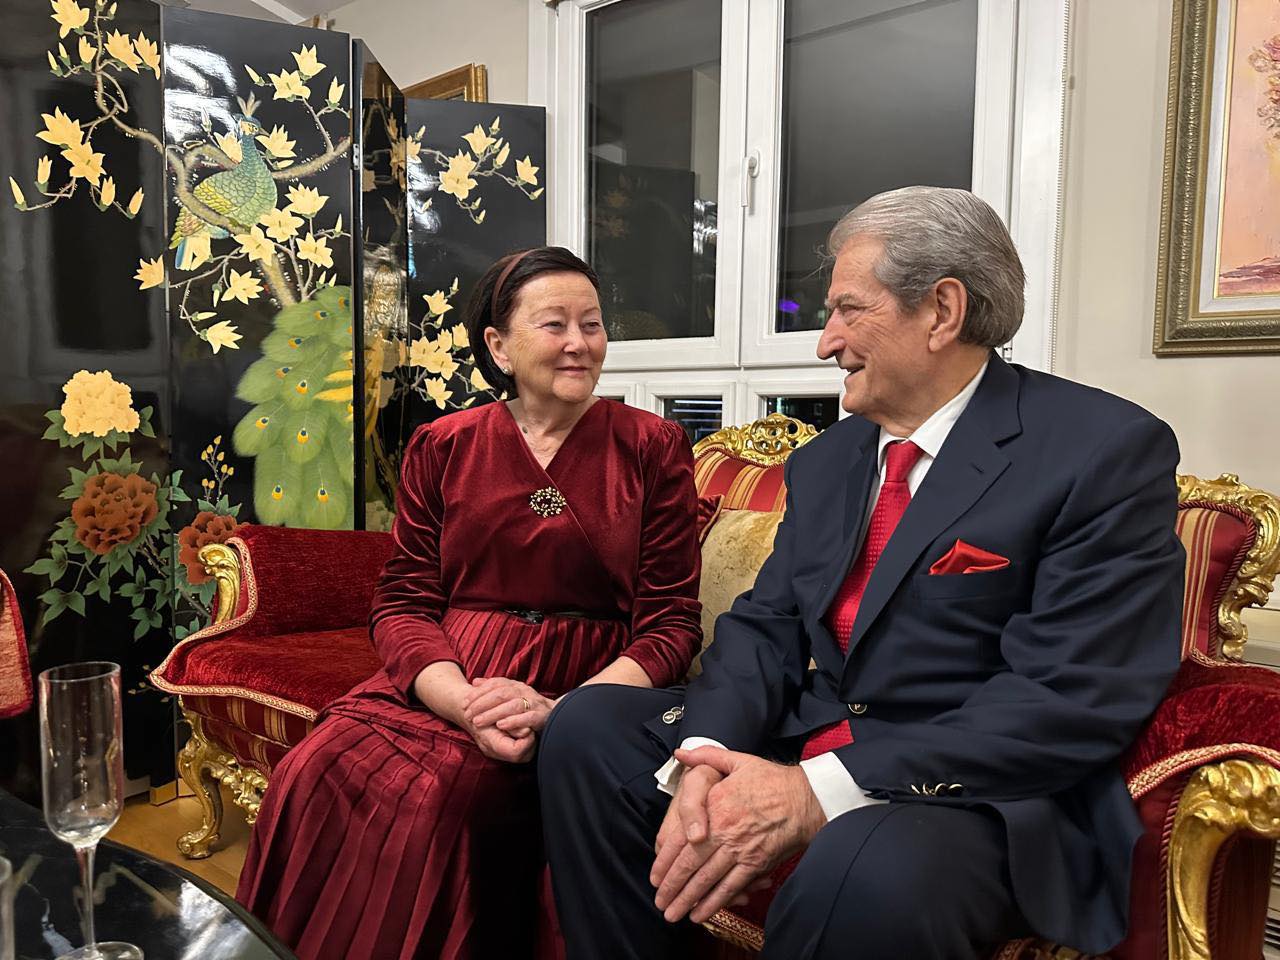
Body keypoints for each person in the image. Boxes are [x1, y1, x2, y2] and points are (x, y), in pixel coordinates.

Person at [538, 187, 1186, 960]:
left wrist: (817, 790)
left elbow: (1066, 696)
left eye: (848, 310)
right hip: (809, 734)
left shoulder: (1102, 450)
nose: (826, 343)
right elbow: (768, 626)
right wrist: (704, 754)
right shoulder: (831, 460)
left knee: (863, 871)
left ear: (941, 311)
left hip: (979, 787)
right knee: (587, 730)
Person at [236, 246, 703, 959]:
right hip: (450, 672)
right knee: (312, 770)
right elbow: (402, 600)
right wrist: (461, 702)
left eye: (592, 324)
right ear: (499, 345)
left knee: (443, 795)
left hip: (587, 685)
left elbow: (670, 623)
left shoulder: (653, 445)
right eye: (554, 324)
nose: (579, 343)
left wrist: (563, 713)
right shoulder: (443, 444)